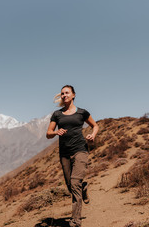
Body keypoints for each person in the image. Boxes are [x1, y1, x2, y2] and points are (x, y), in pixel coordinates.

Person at [46, 85, 99, 227]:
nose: (64, 95)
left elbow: (95, 125)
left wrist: (92, 135)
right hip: (64, 153)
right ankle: (83, 189)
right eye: (62, 93)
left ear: (73, 95)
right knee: (71, 186)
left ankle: (76, 221)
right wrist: (56, 132)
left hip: (80, 149)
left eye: (67, 93)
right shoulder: (57, 115)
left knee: (74, 183)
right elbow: (48, 134)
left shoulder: (82, 113)